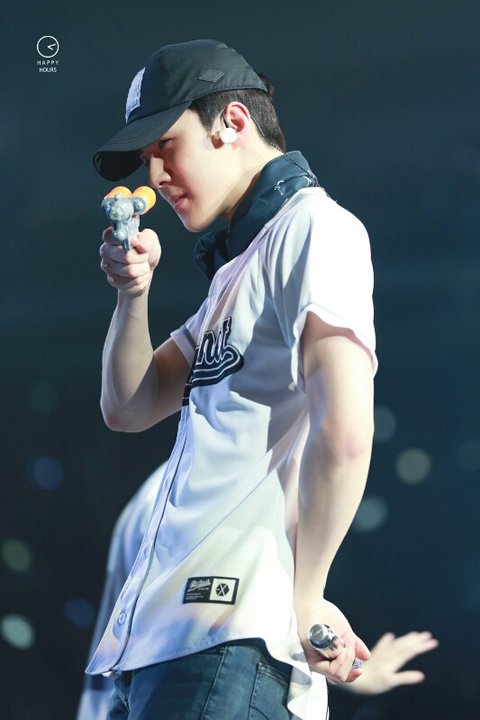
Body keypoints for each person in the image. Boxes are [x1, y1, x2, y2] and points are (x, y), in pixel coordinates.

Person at [87, 38, 378, 719]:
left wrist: (307, 596)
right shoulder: (234, 275)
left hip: (230, 644)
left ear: (233, 122)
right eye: (146, 159)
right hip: (166, 649)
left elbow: (345, 431)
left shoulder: (316, 228)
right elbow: (129, 406)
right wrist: (133, 294)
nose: (156, 175)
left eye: (166, 146)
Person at [77, 466, 438, 720]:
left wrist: (347, 666)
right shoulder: (209, 488)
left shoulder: (173, 489)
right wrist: (310, 603)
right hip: (201, 678)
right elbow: (208, 625)